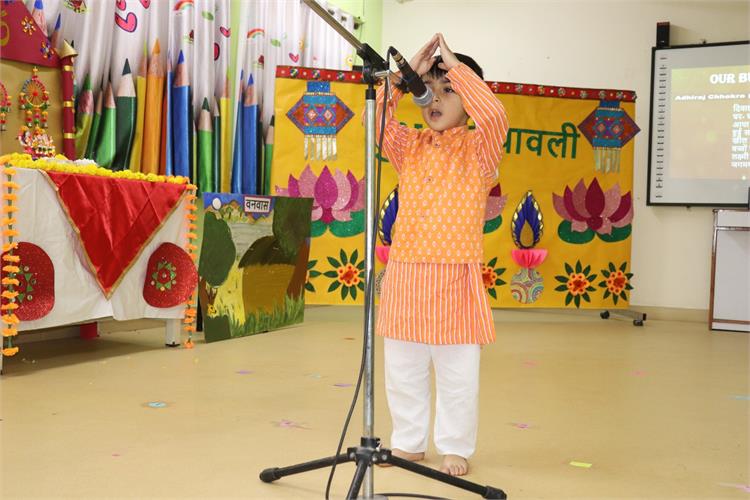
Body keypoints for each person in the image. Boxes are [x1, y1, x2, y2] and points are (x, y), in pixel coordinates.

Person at [375, 33, 509, 477]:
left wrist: (456, 68)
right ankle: (408, 442)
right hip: (406, 276)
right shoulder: (409, 146)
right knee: (403, 371)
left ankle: (454, 446)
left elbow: (494, 114)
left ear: (469, 98)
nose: (435, 98)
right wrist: (403, 78)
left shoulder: (479, 149)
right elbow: (377, 121)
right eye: (428, 88)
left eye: (449, 90)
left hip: (455, 279)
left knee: (457, 376)